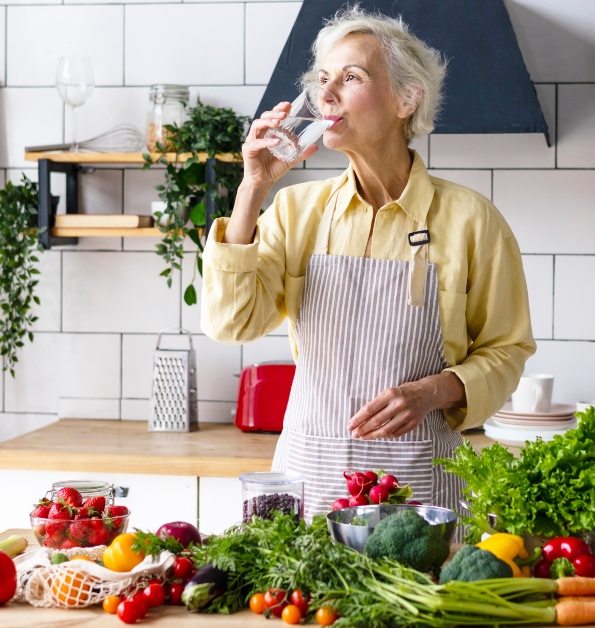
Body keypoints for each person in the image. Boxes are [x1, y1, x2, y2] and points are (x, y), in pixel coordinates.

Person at [202, 7, 534, 517]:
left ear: (407, 98)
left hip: (419, 486)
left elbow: (507, 349)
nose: (326, 94)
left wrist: (434, 391)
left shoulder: (472, 220)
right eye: (322, 79)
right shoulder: (294, 210)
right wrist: (253, 188)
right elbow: (232, 323)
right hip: (308, 476)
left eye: (351, 77)